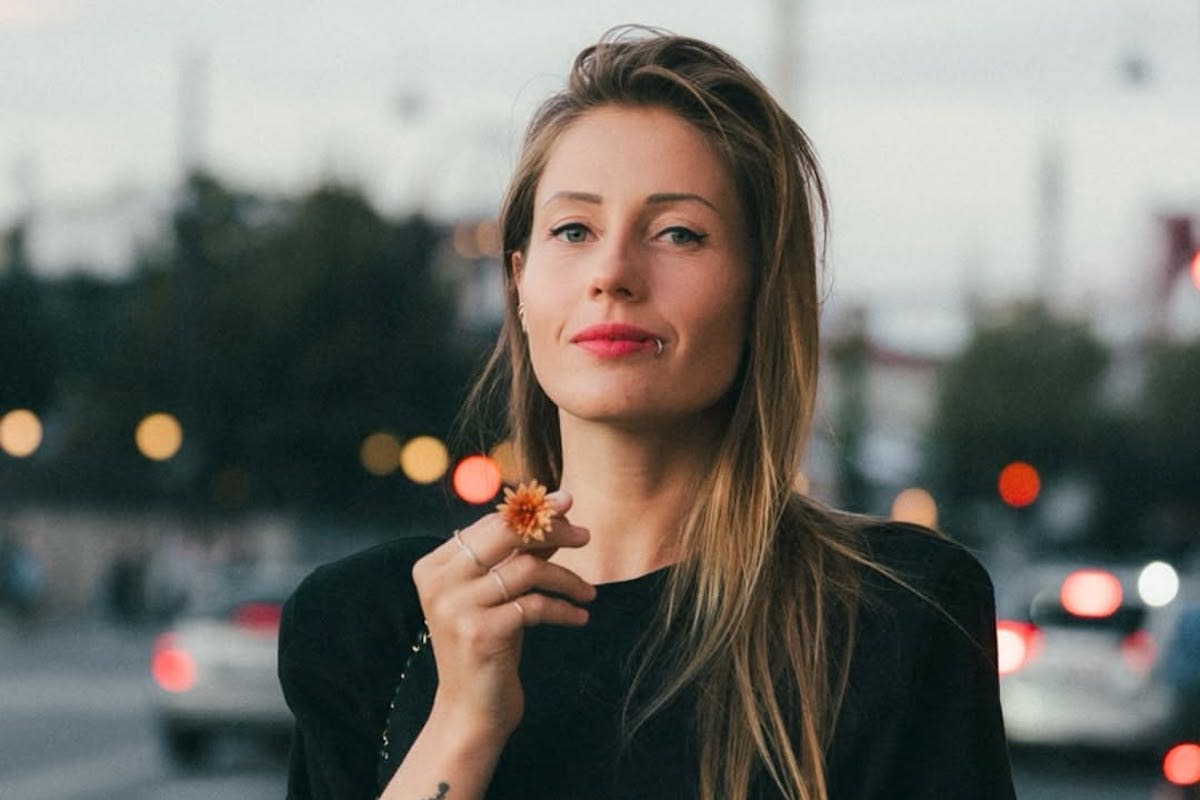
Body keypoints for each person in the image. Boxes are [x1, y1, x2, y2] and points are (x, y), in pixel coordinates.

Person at [279, 28, 1016, 800]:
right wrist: (462, 724)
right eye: (574, 230)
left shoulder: (895, 616)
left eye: (677, 234)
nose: (613, 273)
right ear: (519, 284)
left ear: (762, 292)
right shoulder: (367, 624)